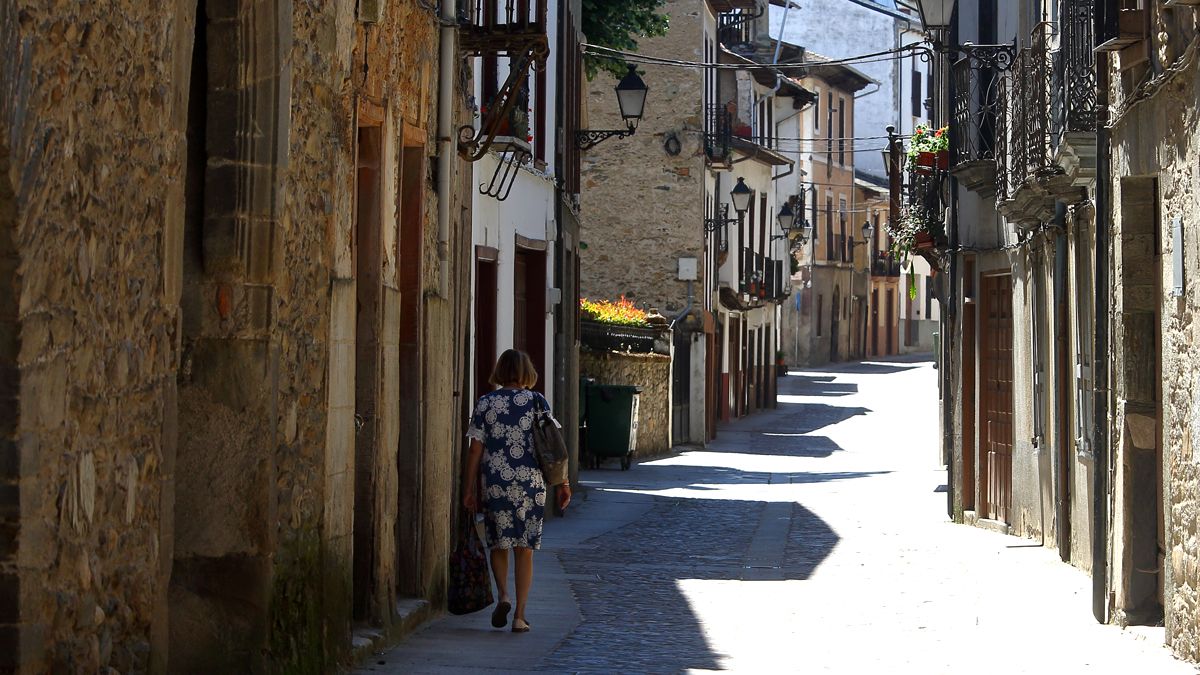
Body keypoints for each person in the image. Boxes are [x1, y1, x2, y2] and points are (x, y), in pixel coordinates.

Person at [463, 349, 571, 633]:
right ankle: (520, 616)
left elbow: (475, 450)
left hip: (496, 482)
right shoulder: (537, 402)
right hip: (530, 483)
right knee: (525, 549)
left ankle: (504, 595)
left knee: (499, 543)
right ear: (527, 372)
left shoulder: (486, 403)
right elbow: (553, 446)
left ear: (500, 371)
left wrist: (468, 488)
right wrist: (564, 483)